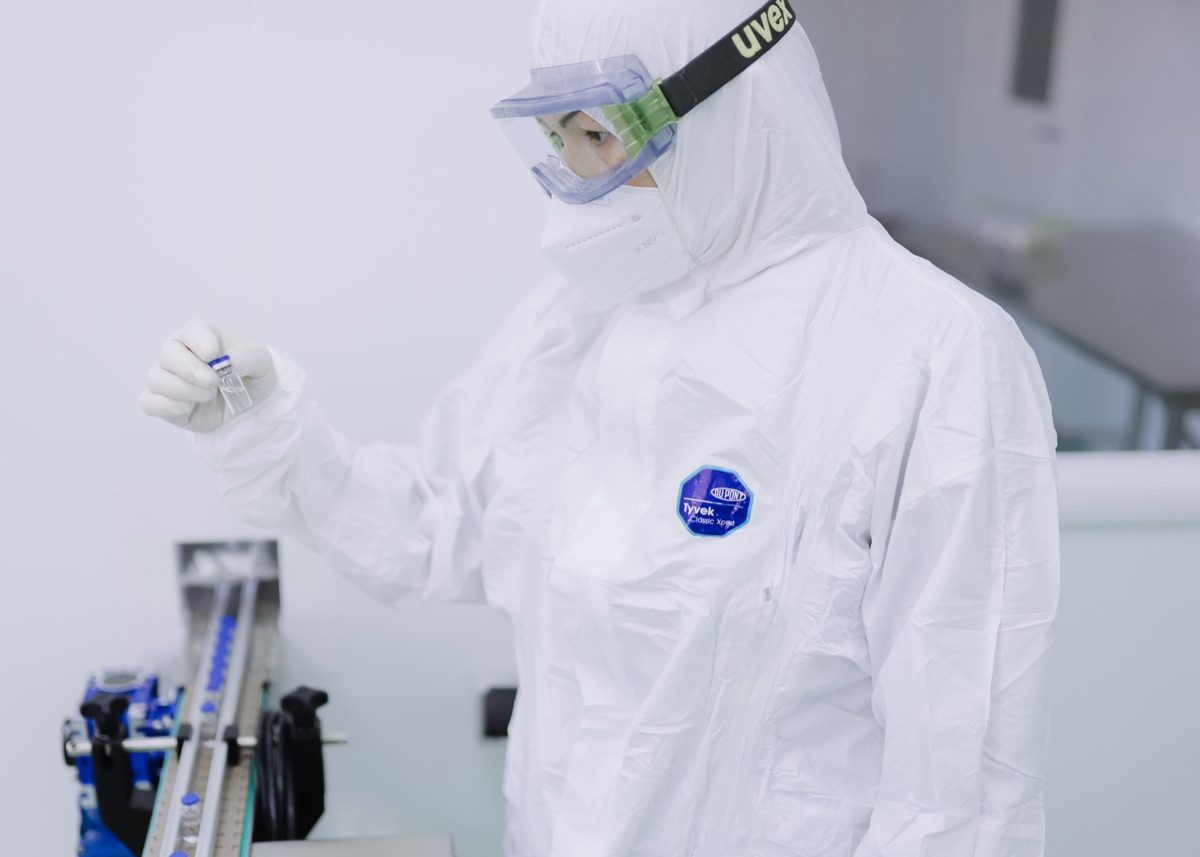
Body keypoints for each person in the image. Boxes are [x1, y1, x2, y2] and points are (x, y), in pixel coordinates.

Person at [140, 0, 1060, 854]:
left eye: (599, 134)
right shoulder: (581, 322)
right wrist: (264, 432)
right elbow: (432, 524)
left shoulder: (931, 355)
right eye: (555, 137)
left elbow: (957, 786)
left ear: (741, 110)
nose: (578, 176)